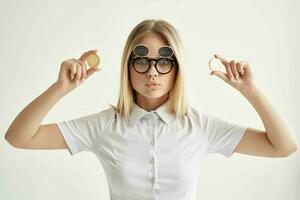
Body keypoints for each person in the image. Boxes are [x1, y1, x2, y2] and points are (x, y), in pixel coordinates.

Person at [4, 19, 298, 200]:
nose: (152, 73)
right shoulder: (105, 125)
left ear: (176, 69)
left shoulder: (201, 127)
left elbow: (283, 146)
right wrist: (61, 89)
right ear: (128, 68)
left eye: (165, 61)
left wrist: (251, 91)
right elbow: (18, 137)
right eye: (141, 61)